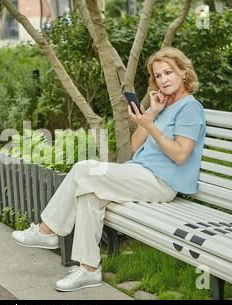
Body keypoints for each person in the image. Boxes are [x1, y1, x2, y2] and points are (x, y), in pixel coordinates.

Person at [11, 47, 206, 292]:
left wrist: (149, 124)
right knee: (90, 193)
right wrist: (153, 113)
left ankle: (47, 230)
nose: (163, 79)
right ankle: (89, 270)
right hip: (140, 172)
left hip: (161, 182)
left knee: (84, 170)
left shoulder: (190, 108)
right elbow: (135, 146)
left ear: (184, 73)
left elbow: (179, 155)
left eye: (169, 72)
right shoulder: (164, 106)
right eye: (158, 75)